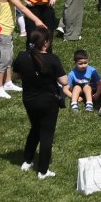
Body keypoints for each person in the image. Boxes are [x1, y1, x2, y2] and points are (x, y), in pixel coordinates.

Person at [15, 28, 68, 180]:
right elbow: (64, 81)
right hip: (48, 102)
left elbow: (16, 75)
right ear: (45, 42)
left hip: (29, 100)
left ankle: (27, 160)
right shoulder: (52, 59)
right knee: (46, 135)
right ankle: (43, 171)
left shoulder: (22, 57)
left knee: (35, 128)